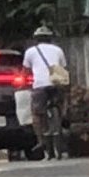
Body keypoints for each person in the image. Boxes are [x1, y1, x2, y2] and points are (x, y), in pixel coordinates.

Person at [23, 24, 67, 159]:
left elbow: (26, 71)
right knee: (61, 102)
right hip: (56, 82)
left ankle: (41, 140)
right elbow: (63, 67)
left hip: (40, 85)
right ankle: (62, 116)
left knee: (36, 113)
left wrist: (27, 82)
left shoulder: (30, 52)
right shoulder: (58, 50)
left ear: (36, 39)